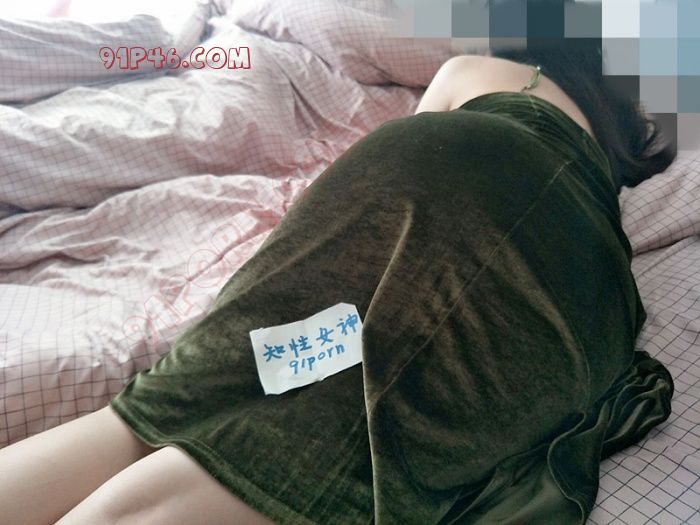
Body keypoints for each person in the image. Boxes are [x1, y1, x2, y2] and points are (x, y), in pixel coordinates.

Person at [0, 40, 676, 525]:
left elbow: (424, 152)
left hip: (426, 167)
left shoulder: (474, 69)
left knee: (178, 399)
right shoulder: (620, 144)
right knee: (337, 430)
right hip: (576, 263)